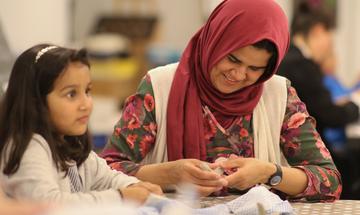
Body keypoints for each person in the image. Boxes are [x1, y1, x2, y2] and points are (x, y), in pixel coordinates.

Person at [101, 0, 341, 201]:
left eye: (255, 68)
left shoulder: (278, 95)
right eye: (233, 59)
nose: (238, 75)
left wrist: (269, 173)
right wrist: (169, 174)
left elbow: (329, 181)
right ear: (215, 41)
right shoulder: (159, 87)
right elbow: (103, 172)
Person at [0, 44, 162, 204]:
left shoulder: (70, 143)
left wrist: (135, 186)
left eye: (87, 91)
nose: (86, 104)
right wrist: (121, 197)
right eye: (71, 94)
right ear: (36, 101)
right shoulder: (28, 147)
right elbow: (48, 205)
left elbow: (106, 178)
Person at [276, 3, 359, 199]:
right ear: (318, 32)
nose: (330, 44)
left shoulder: (288, 57)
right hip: (295, 156)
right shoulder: (300, 64)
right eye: (329, 37)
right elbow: (329, 115)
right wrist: (354, 104)